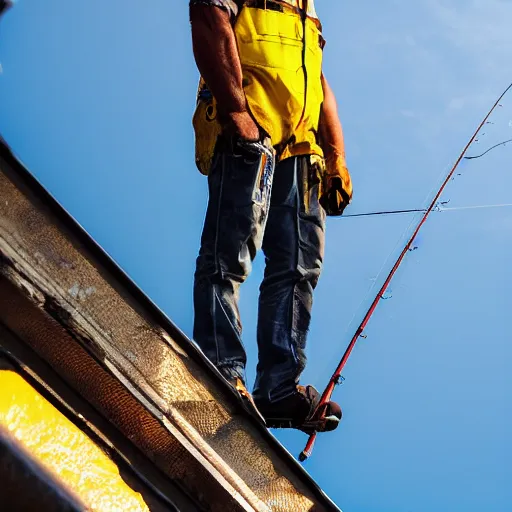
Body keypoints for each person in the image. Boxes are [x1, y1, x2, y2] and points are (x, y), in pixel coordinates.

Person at [190, 0, 352, 434]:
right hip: (252, 125)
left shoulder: (307, 7)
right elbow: (208, 16)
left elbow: (316, 79)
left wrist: (335, 155)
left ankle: (278, 388)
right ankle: (221, 367)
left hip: (301, 149)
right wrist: (238, 112)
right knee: (230, 253)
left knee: (299, 267)